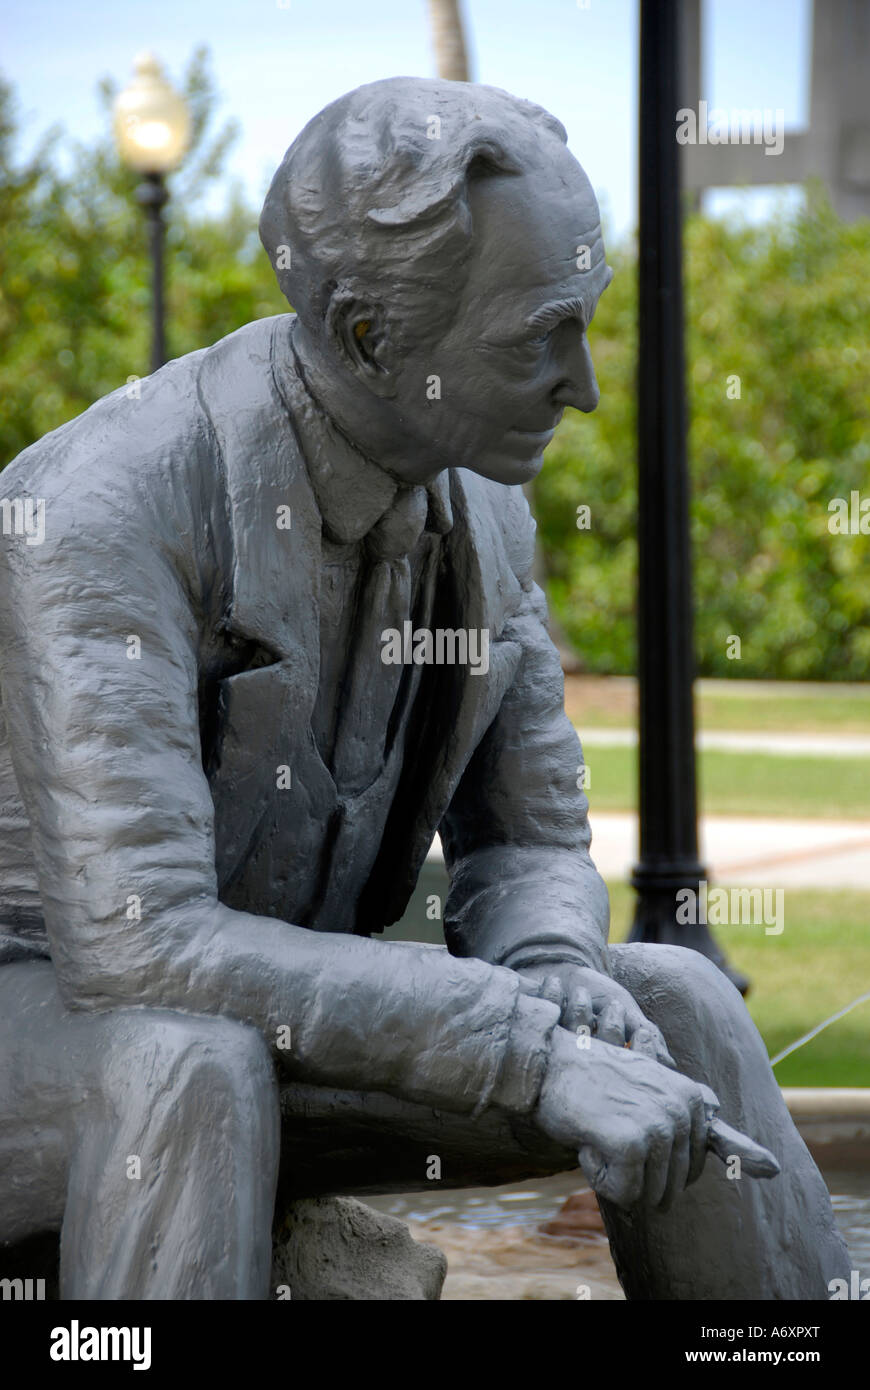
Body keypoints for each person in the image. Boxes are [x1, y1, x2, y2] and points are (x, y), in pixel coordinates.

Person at [0, 77, 850, 1300]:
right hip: (62, 1028)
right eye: (537, 336)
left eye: (585, 323)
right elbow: (145, 949)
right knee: (184, 1065)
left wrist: (552, 959)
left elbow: (529, 842)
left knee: (676, 999)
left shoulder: (487, 506)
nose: (584, 384)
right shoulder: (100, 508)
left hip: (273, 1023)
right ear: (365, 335)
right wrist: (519, 1048)